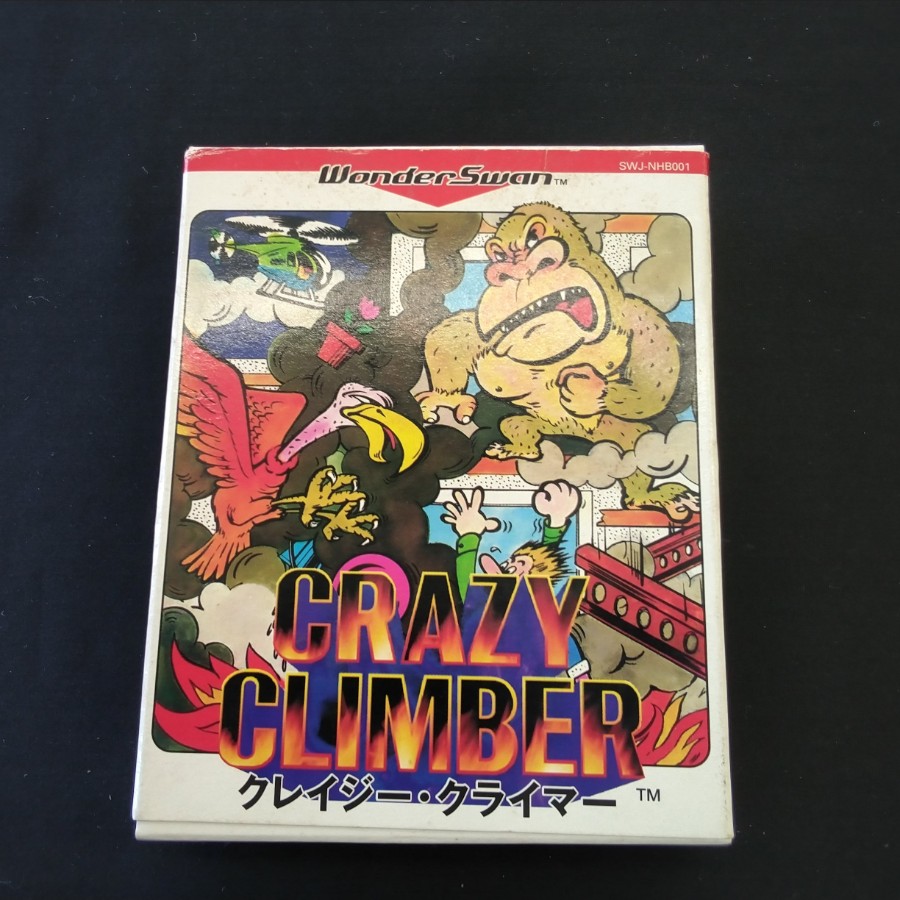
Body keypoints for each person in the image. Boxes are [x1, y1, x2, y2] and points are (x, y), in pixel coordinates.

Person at [441, 481, 591, 679]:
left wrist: (556, 522)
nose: (510, 564)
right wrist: (469, 536)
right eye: (512, 560)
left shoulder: (539, 619)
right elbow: (468, 590)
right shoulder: (488, 604)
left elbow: (545, 561)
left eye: (520, 563)